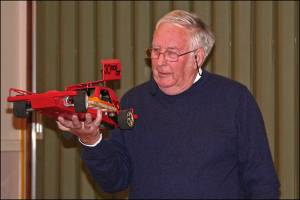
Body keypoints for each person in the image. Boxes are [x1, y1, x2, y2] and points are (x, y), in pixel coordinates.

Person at [56, 10, 280, 199]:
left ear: (197, 57)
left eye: (171, 53)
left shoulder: (234, 100)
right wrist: (91, 140)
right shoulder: (134, 102)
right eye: (155, 51)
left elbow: (262, 182)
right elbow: (115, 181)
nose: (160, 61)